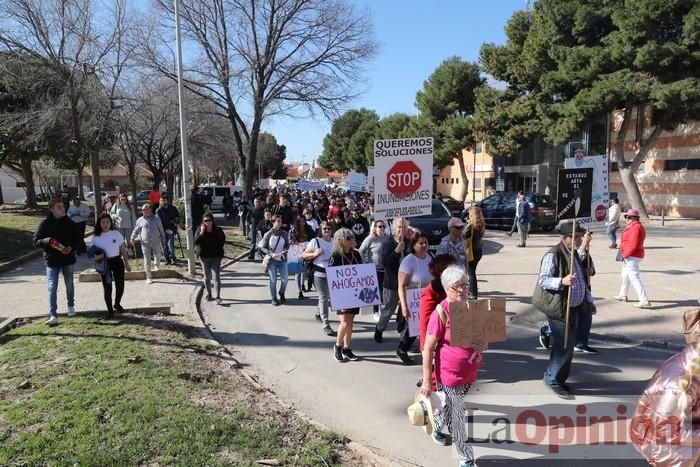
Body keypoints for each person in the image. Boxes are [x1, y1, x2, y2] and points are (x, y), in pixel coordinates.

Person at [420, 266, 486, 467]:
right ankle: (466, 459)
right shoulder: (441, 312)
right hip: (448, 374)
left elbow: (482, 339)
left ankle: (435, 424)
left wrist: (482, 344)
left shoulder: (471, 308)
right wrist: (427, 382)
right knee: (457, 417)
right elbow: (427, 348)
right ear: (447, 288)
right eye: (458, 287)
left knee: (448, 407)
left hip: (469, 371)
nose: (463, 290)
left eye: (465, 285)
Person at [534, 222, 594, 398]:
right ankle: (553, 380)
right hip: (558, 307)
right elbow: (543, 280)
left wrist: (588, 300)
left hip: (574, 307)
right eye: (575, 238)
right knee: (564, 346)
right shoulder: (553, 254)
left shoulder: (572, 252)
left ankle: (554, 377)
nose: (577, 240)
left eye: (579, 237)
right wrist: (561, 281)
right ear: (564, 238)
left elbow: (582, 276)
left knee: (567, 344)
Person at [33, 198, 81, 326]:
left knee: (69, 284)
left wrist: (72, 247)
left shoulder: (70, 223)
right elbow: (36, 241)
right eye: (58, 207)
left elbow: (78, 240)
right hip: (52, 260)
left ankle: (71, 306)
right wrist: (47, 240)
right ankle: (53, 314)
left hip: (68, 259)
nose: (62, 209)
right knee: (52, 286)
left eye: (63, 207)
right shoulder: (44, 224)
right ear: (51, 209)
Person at [397, 231, 433, 365]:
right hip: (412, 300)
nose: (424, 245)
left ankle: (429, 352)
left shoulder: (430, 257)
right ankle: (402, 349)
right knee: (412, 329)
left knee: (427, 327)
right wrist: (404, 306)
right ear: (413, 245)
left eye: (426, 243)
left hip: (428, 298)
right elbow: (401, 285)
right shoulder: (409, 261)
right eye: (421, 243)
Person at [375, 217, 412, 343]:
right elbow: (385, 263)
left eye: (404, 227)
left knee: (405, 308)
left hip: (407, 283)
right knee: (389, 309)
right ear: (394, 229)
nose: (402, 230)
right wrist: (396, 252)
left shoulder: (409, 242)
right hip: (392, 283)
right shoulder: (388, 243)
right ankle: (379, 329)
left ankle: (402, 330)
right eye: (399, 227)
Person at [328, 228, 363, 362]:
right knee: (344, 322)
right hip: (341, 294)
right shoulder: (336, 256)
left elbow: (361, 271)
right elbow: (331, 276)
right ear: (341, 240)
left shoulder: (356, 254)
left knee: (350, 322)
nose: (351, 240)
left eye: (352, 237)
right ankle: (338, 346)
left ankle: (347, 348)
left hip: (354, 293)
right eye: (348, 238)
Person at [89, 213, 130, 318]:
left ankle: (117, 303)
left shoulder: (116, 234)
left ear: (111, 223)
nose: (105, 224)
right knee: (107, 288)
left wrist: (127, 263)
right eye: (103, 222)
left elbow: (123, 249)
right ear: (99, 223)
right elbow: (91, 254)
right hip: (104, 264)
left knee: (120, 285)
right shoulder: (95, 237)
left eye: (108, 221)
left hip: (117, 261)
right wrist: (97, 257)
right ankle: (110, 311)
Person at [613, 208, 651, 308]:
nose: (627, 218)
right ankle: (623, 294)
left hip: (632, 255)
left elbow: (633, 244)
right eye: (626, 216)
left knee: (634, 277)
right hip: (632, 254)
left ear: (635, 218)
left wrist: (625, 255)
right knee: (625, 275)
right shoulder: (634, 226)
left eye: (629, 217)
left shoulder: (635, 227)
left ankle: (644, 299)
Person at [303, 221, 336, 336]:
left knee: (328, 296)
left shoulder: (335, 241)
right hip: (319, 274)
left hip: (332, 274)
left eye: (329, 228)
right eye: (324, 229)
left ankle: (319, 313)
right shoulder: (315, 241)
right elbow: (304, 255)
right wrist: (315, 254)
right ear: (321, 230)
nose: (327, 231)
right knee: (323, 297)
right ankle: (326, 324)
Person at [359, 220, 389, 321]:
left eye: (383, 227)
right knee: (377, 290)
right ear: (375, 228)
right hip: (375, 268)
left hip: (386, 268)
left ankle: (383, 308)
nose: (382, 229)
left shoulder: (388, 238)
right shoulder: (370, 239)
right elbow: (361, 250)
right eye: (380, 227)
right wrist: (366, 262)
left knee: (384, 290)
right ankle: (376, 310)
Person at [130, 203, 166, 284]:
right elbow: (136, 230)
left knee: (158, 254)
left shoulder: (157, 219)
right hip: (145, 242)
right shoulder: (140, 220)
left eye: (144, 210)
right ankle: (148, 276)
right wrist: (132, 238)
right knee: (147, 259)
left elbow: (161, 231)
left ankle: (157, 264)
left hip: (156, 241)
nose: (142, 211)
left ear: (150, 210)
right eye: (142, 210)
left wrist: (164, 242)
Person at [194, 213, 226, 304]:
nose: (208, 222)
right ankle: (209, 294)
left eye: (209, 220)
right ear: (203, 222)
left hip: (216, 257)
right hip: (204, 257)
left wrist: (219, 251)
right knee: (207, 277)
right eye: (206, 221)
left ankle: (218, 296)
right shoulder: (200, 230)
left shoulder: (218, 230)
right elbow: (196, 242)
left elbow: (223, 240)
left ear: (212, 221)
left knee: (216, 277)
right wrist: (202, 232)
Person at [260, 215, 289, 306]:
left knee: (285, 279)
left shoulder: (284, 233)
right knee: (273, 280)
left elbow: (287, 245)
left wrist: (285, 251)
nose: (280, 223)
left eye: (281, 221)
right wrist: (271, 254)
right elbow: (263, 248)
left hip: (282, 260)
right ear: (273, 222)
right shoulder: (268, 234)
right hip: (272, 260)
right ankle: (274, 298)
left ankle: (281, 293)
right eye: (278, 221)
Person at [464, 206, 486, 299]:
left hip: (471, 251)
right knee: (473, 271)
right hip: (479, 250)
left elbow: (463, 235)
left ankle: (473, 293)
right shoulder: (482, 225)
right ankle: (473, 291)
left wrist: (467, 224)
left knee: (471, 273)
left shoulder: (471, 226)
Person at [289, 216, 313, 299]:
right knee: (298, 272)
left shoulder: (308, 228)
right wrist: (293, 242)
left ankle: (302, 284)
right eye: (300, 222)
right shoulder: (293, 229)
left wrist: (310, 244)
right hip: (297, 252)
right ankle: (299, 291)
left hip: (307, 251)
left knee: (304, 270)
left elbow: (313, 238)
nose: (302, 223)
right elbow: (289, 240)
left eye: (303, 221)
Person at [156, 194, 180, 265]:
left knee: (170, 244)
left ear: (167, 201)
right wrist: (165, 229)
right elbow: (159, 222)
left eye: (164, 200)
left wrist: (176, 222)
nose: (163, 202)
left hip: (171, 229)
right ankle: (167, 259)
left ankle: (172, 258)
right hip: (162, 230)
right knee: (163, 245)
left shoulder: (173, 208)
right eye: (161, 201)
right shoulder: (158, 210)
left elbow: (177, 217)